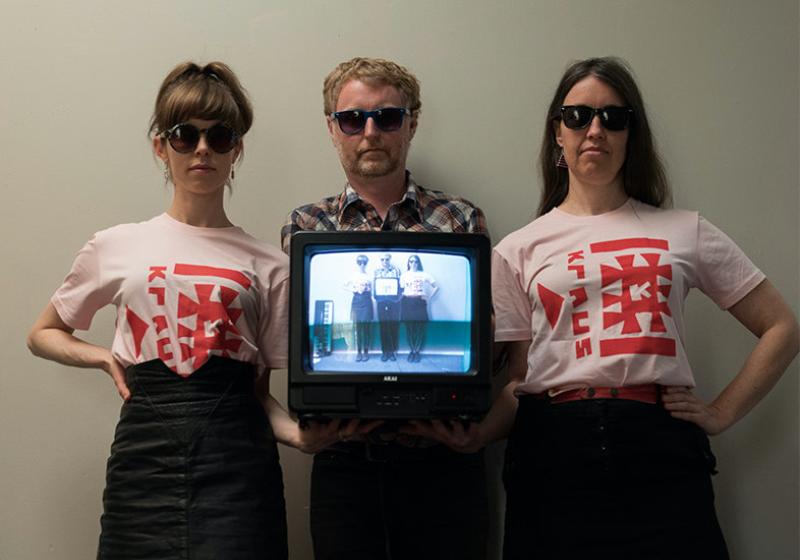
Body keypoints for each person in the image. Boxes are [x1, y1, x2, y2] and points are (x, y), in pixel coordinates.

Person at [490, 57, 799, 559]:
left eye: (614, 117)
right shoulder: (517, 249)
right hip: (551, 452)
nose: (595, 130)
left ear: (632, 134)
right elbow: (520, 379)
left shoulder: (684, 229)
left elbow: (782, 327)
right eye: (578, 116)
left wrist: (720, 412)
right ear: (557, 134)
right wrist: (475, 434)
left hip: (660, 447)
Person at [25, 61, 329, 559]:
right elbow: (43, 334)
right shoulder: (115, 245)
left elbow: (258, 396)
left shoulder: (271, 264)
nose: (203, 149)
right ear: (160, 146)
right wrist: (103, 357)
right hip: (143, 462)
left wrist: (300, 436)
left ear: (237, 149)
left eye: (220, 135)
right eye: (185, 135)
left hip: (238, 471)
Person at [281, 57, 490, 560]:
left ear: (411, 123)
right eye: (353, 119)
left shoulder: (461, 218)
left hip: (445, 464)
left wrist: (475, 429)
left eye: (388, 117)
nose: (370, 132)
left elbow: (495, 338)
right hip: (343, 463)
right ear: (333, 128)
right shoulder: (305, 224)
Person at [400, 254, 439, 362]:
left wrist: (429, 297)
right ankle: (411, 351)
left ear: (418, 263)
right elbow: (401, 290)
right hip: (407, 303)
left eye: (415, 261)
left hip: (419, 303)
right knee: (409, 329)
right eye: (411, 261)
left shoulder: (424, 274)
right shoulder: (404, 275)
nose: (413, 264)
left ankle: (417, 351)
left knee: (419, 329)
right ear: (408, 263)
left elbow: (436, 287)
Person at [373, 253, 402, 361]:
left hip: (393, 302)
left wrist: (397, 299)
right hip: (381, 302)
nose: (385, 262)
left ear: (390, 260)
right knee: (383, 327)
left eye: (387, 259)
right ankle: (384, 352)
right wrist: (377, 299)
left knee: (394, 326)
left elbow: (400, 286)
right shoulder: (376, 271)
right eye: (382, 260)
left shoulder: (396, 270)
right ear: (380, 261)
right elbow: (374, 288)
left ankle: (392, 352)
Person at [344, 254, 373, 361]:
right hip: (356, 302)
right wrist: (354, 289)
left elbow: (372, 290)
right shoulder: (353, 275)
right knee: (358, 329)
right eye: (360, 262)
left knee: (366, 329)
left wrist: (367, 289)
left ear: (366, 264)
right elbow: (343, 285)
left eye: (364, 263)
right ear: (357, 263)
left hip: (366, 301)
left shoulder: (369, 276)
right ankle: (359, 352)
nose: (362, 265)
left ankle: (366, 352)